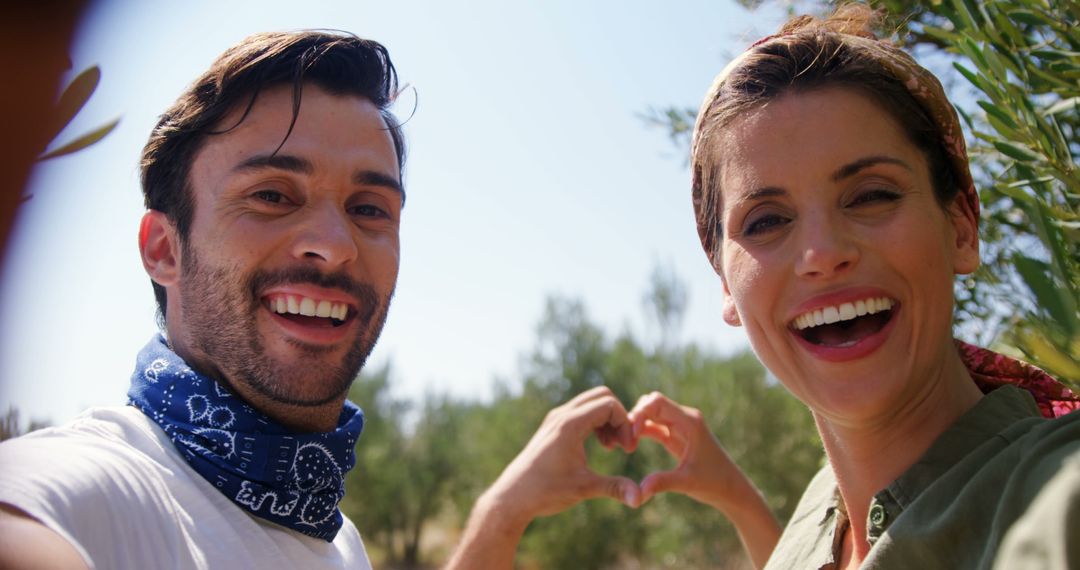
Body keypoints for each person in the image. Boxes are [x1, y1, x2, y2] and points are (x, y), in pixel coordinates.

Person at [446, 5, 1080, 569]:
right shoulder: (822, 515)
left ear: (962, 224)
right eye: (768, 220)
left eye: (870, 196)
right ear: (724, 280)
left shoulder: (1058, 498)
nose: (822, 253)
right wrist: (504, 514)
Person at [0, 30, 406, 569]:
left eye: (369, 208)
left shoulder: (337, 541)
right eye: (272, 196)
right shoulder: (86, 494)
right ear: (164, 249)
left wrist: (502, 515)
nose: (334, 247)